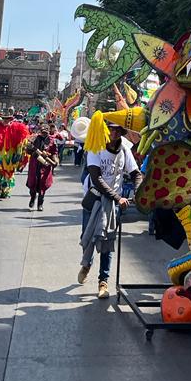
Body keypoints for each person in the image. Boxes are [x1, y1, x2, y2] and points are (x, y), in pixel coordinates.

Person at [78, 121, 141, 298]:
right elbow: (96, 177)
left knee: (107, 241)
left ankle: (103, 281)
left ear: (122, 132)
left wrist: (138, 189)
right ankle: (87, 263)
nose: (113, 133)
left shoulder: (125, 151)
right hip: (95, 198)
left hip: (114, 204)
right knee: (88, 236)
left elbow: (136, 173)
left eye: (116, 129)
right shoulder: (95, 148)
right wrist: (117, 197)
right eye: (110, 129)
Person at [27, 127, 58, 210]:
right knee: (32, 183)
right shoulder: (34, 138)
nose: (44, 134)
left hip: (45, 165)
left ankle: (40, 203)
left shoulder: (52, 141)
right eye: (43, 132)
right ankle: (32, 198)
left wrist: (54, 160)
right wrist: (32, 149)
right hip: (34, 164)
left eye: (46, 132)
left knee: (43, 184)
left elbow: (54, 153)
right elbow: (27, 150)